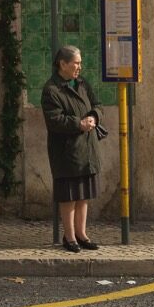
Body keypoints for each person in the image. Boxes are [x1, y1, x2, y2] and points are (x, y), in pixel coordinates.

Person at [41, 45, 104, 252]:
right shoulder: (52, 90)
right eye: (76, 63)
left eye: (80, 62)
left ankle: (81, 234)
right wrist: (79, 124)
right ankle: (69, 237)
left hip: (87, 148)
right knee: (68, 195)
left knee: (83, 194)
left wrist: (94, 117)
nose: (79, 66)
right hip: (66, 151)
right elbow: (54, 120)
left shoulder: (83, 84)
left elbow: (97, 104)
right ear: (63, 64)